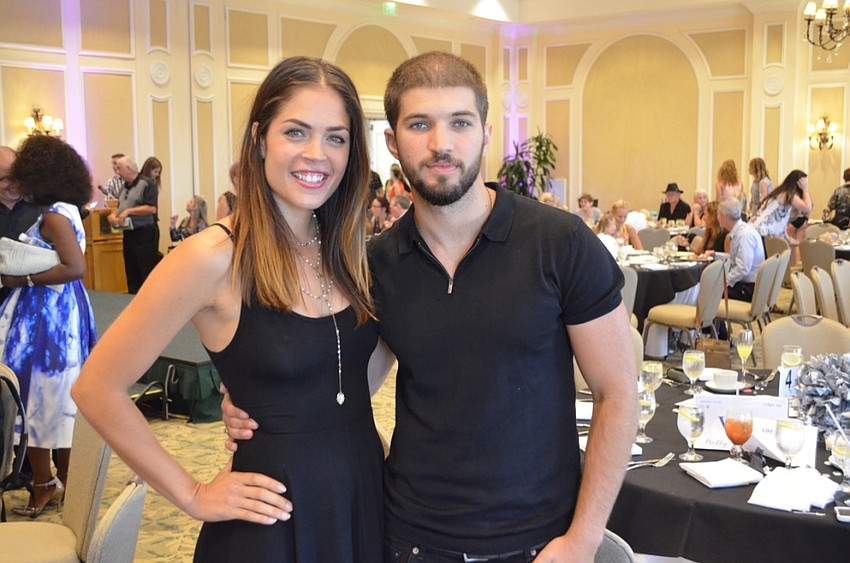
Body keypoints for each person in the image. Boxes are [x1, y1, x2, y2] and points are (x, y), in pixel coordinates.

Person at [224, 51, 638, 562]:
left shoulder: (558, 242)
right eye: (420, 124)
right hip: (409, 537)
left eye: (459, 123)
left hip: (537, 541)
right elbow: (342, 381)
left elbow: (617, 393)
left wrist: (583, 538)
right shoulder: (374, 265)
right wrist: (258, 401)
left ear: (485, 133)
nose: (441, 144)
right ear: (394, 142)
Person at [73, 57, 390, 561]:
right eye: (296, 132)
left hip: (362, 496)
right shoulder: (213, 256)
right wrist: (192, 493)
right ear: (261, 138)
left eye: (336, 137)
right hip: (270, 519)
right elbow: (96, 388)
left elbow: (353, 376)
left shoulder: (349, 252)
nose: (317, 153)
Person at [1, 135, 97, 518]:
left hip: (47, 317)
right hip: (62, 311)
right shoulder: (66, 207)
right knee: (56, 401)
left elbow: (75, 268)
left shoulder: (55, 213)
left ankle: (46, 485)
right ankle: (65, 482)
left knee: (37, 399)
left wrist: (21, 281)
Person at [109, 156, 159, 294]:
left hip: (145, 235)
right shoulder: (123, 187)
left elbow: (151, 208)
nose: (117, 171)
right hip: (128, 234)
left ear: (129, 169)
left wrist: (129, 211)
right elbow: (119, 207)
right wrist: (114, 215)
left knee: (145, 272)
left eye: (119, 168)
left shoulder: (147, 184)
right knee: (131, 272)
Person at [0, 146, 42, 303]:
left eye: (17, 176)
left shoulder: (43, 207)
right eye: (5, 178)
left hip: (35, 301)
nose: (14, 184)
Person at [718, 197, 765, 302]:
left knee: (708, 290)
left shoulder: (744, 236)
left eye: (718, 214)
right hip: (750, 284)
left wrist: (724, 281)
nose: (717, 217)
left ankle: (712, 317)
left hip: (749, 289)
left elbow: (743, 269)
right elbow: (736, 258)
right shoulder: (742, 230)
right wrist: (715, 255)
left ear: (724, 217)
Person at [749, 169, 812, 242]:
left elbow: (780, 223)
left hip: (755, 230)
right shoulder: (788, 195)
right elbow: (808, 208)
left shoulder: (779, 193)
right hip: (762, 233)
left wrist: (789, 239)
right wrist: (805, 190)